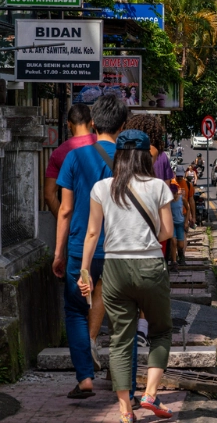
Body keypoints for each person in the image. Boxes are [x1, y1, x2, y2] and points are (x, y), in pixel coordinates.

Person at [77, 129, 175, 423]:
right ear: (146, 156)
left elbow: (93, 233)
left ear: (118, 156)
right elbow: (167, 232)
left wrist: (85, 272)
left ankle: (125, 411)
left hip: (115, 268)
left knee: (120, 339)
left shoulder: (102, 188)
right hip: (149, 267)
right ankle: (150, 393)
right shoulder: (158, 187)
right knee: (160, 331)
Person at [54, 95, 128, 400]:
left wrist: (58, 253)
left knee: (74, 310)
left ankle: (85, 377)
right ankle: (124, 385)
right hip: (119, 249)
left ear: (93, 123)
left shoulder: (74, 156)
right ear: (122, 126)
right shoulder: (128, 159)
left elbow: (65, 210)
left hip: (78, 249)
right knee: (123, 315)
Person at [44, 103, 96, 218]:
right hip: (107, 222)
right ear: (92, 122)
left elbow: (49, 194)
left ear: (68, 124)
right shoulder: (105, 145)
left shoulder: (59, 153)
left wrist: (65, 223)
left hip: (77, 223)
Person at [169, 182, 189, 271]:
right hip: (172, 224)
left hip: (180, 223)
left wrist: (186, 222)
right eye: (171, 193)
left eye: (174, 193)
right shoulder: (168, 201)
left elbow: (188, 209)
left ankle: (181, 255)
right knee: (173, 242)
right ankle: (174, 262)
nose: (173, 195)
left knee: (180, 245)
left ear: (177, 192)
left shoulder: (182, 199)